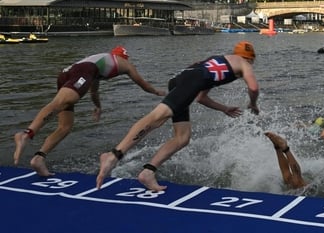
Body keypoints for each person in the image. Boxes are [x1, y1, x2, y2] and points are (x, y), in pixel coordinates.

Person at [96, 41, 260, 191]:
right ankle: (113, 155)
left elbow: (200, 97)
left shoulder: (219, 60)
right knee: (157, 118)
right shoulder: (244, 63)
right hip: (192, 81)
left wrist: (224, 108)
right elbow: (253, 87)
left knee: (182, 137)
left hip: (181, 79)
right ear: (250, 58)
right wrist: (253, 104)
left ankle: (148, 172)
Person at [13, 46, 164, 176]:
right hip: (81, 72)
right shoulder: (123, 63)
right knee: (62, 102)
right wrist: (157, 92)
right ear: (123, 57)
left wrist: (98, 107)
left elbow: (94, 91)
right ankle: (27, 134)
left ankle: (39, 158)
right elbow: (142, 84)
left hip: (67, 73)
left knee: (65, 126)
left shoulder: (99, 63)